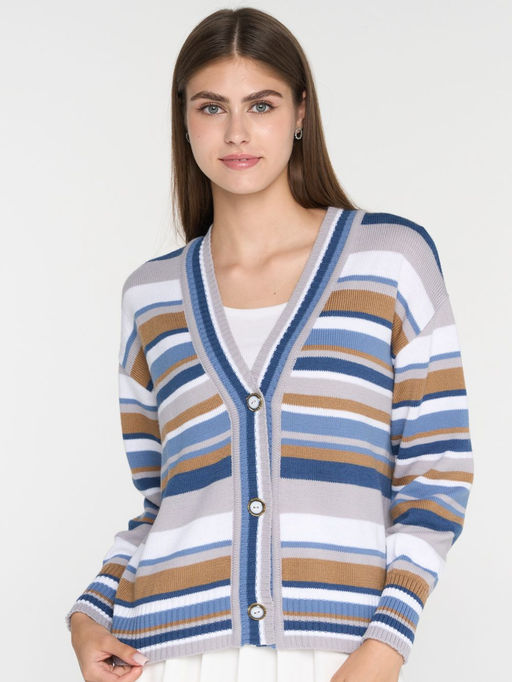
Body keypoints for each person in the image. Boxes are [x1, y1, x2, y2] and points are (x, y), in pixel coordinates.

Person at [66, 6, 474, 682]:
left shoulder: (390, 261)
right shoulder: (151, 295)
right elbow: (163, 499)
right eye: (211, 107)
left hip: (339, 655)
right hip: (171, 656)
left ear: (300, 112)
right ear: (184, 120)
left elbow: (436, 473)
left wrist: (386, 645)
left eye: (261, 104)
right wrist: (88, 614)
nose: (236, 132)